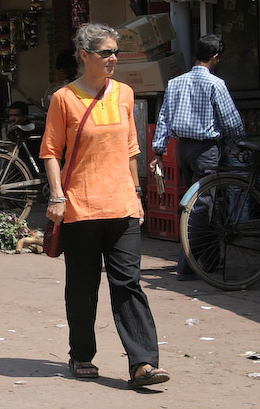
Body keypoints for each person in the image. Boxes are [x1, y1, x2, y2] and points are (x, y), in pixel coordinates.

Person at [40, 22, 169, 389]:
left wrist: (137, 193)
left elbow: (131, 149)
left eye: (116, 52)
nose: (113, 59)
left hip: (122, 205)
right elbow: (50, 152)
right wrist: (56, 197)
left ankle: (143, 363)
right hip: (80, 206)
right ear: (85, 56)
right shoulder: (63, 98)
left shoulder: (125, 94)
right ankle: (81, 355)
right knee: (83, 286)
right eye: (106, 53)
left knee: (128, 282)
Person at [149, 34, 244, 280]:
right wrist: (240, 143)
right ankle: (188, 263)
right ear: (215, 57)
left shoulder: (176, 83)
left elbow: (164, 119)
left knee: (200, 202)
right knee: (201, 206)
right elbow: (231, 122)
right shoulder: (215, 84)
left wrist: (159, 151)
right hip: (205, 151)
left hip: (183, 150)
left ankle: (210, 260)